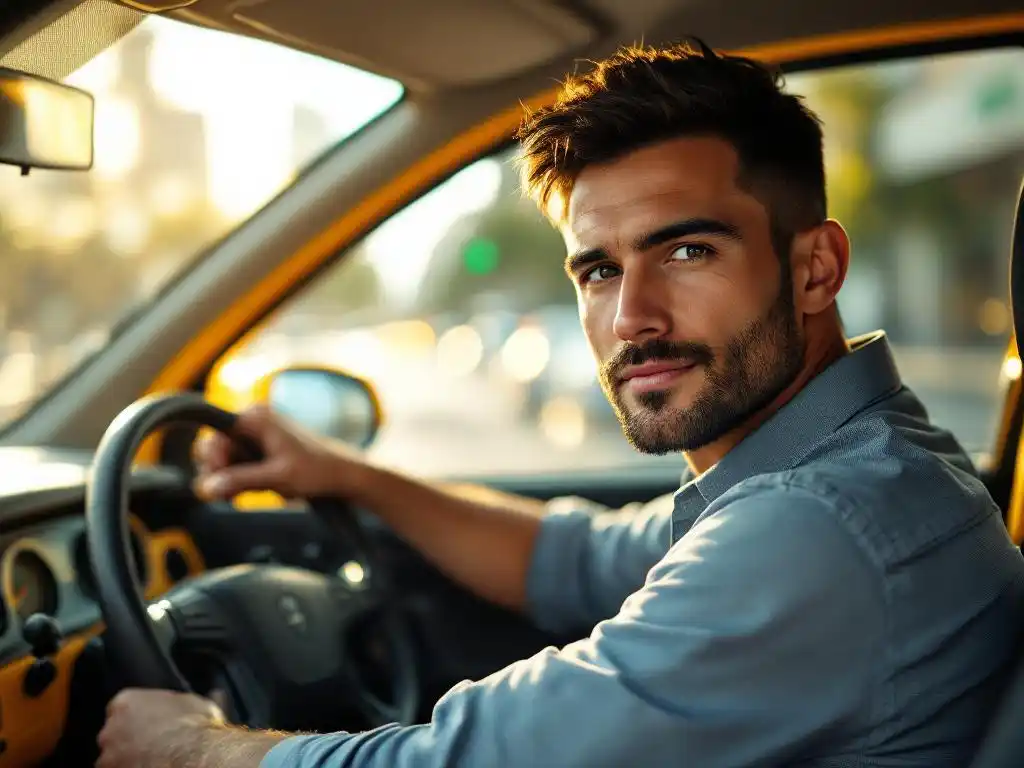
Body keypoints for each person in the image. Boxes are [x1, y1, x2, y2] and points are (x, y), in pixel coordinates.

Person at [96, 39, 1024, 768]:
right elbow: (569, 558)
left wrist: (189, 749)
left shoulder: (819, 527)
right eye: (598, 269)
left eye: (687, 251)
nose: (633, 318)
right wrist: (343, 475)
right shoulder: (844, 464)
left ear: (814, 266)